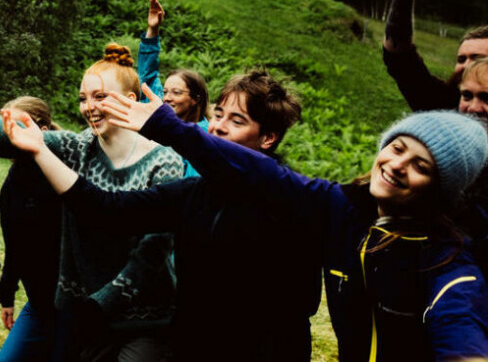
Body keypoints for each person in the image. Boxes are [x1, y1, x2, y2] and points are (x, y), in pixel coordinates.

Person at [94, 92, 488, 360]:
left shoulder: (446, 262)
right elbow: (257, 174)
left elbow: (458, 323)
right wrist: (171, 127)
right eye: (398, 148)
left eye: (422, 166)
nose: (398, 164)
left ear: (440, 189)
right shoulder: (341, 208)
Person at [2, 70, 322, 361]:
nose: (218, 127)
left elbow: (299, 307)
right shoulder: (194, 193)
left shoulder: (291, 204)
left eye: (237, 121)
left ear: (268, 137)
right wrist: (40, 151)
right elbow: (106, 209)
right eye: (219, 114)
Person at [0, 43, 185, 360]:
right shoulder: (77, 149)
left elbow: (154, 249)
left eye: (100, 97)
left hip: (145, 321)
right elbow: (4, 135)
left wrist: (103, 302)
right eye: (83, 99)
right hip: (84, 317)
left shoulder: (164, 160)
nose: (89, 107)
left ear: (129, 101)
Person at [0, 97, 64, 362]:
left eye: (19, 125)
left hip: (74, 305)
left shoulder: (66, 175)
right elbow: (14, 245)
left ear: (43, 130)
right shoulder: (12, 184)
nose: (11, 133)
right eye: (7, 126)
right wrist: (7, 293)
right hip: (39, 302)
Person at [383, 0, 488, 111]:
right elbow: (400, 60)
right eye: (461, 60)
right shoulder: (442, 104)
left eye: (477, 58)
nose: (464, 66)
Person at [137, 0, 209, 177]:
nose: (167, 97)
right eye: (166, 91)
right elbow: (148, 77)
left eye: (176, 93)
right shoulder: (161, 112)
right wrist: (153, 30)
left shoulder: (206, 136)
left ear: (195, 99)